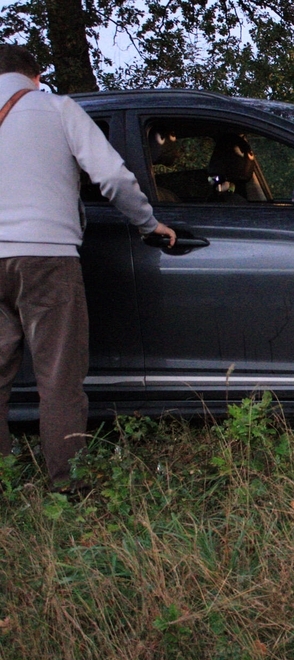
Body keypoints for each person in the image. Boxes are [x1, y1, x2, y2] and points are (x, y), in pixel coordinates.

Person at [0, 44, 176, 490]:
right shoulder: (56, 108)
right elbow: (113, 178)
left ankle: (3, 476)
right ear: (35, 77)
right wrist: (147, 222)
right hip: (45, 255)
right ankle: (68, 486)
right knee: (57, 379)